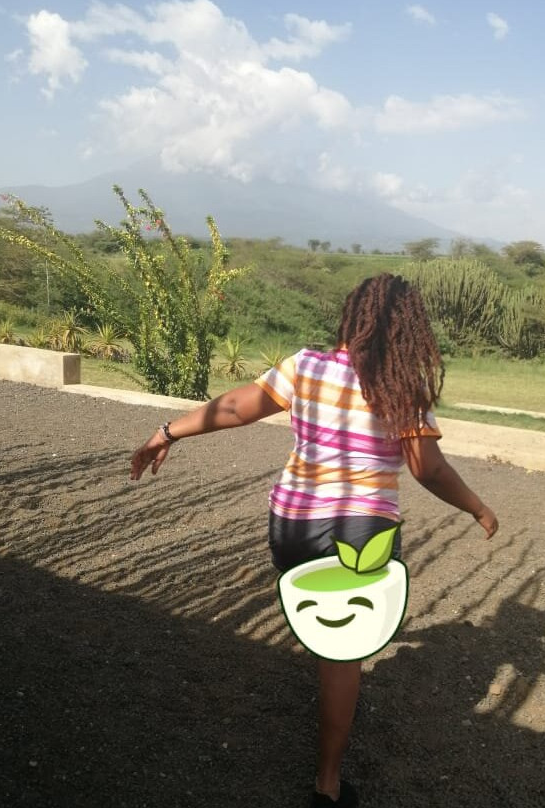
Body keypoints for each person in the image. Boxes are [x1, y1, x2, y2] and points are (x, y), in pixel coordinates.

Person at [130, 273, 499, 807]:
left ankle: (327, 667)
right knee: (343, 655)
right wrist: (477, 507)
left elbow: (235, 407)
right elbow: (429, 469)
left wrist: (167, 432)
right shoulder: (403, 386)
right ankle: (327, 784)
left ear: (353, 317)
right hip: (361, 533)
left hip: (293, 525)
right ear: (409, 330)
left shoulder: (305, 367)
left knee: (325, 631)